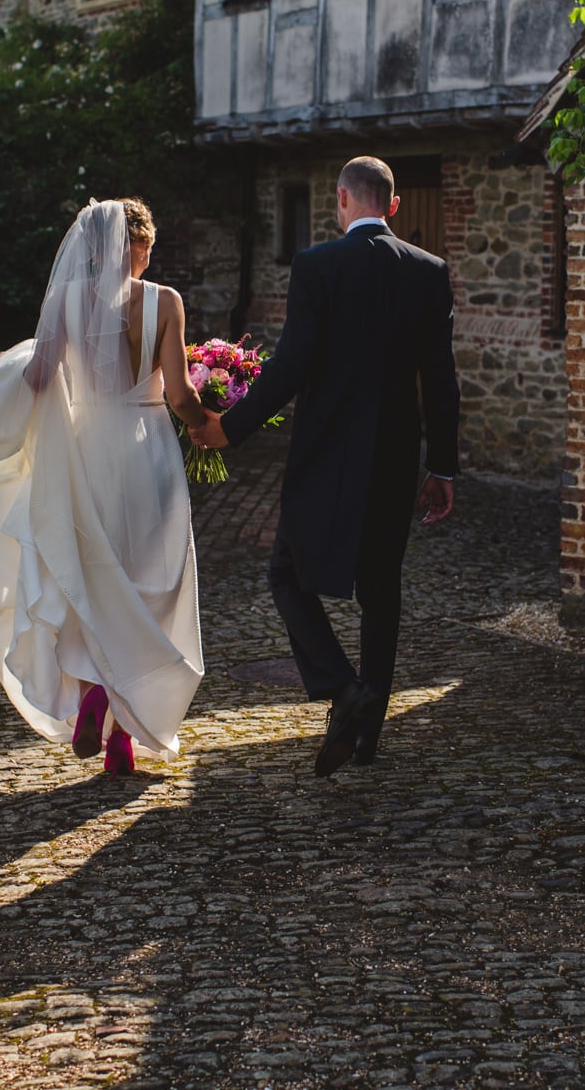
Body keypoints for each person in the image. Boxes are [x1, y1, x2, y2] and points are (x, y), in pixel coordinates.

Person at [191, 156, 460, 776]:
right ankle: (368, 738)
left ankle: (345, 688)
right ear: (392, 206)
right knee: (381, 595)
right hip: (393, 459)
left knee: (288, 574)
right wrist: (442, 467)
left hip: (326, 457)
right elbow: (440, 381)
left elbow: (290, 367)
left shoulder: (317, 266)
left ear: (341, 200)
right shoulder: (429, 272)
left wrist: (229, 429)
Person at [0, 198, 209, 775]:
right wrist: (209, 424)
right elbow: (178, 396)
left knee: (93, 577)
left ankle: (94, 694)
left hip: (89, 451)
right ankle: (122, 728)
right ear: (142, 246)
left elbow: (41, 377)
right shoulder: (165, 302)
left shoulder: (67, 299)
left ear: (93, 250)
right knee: (150, 583)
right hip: (149, 454)